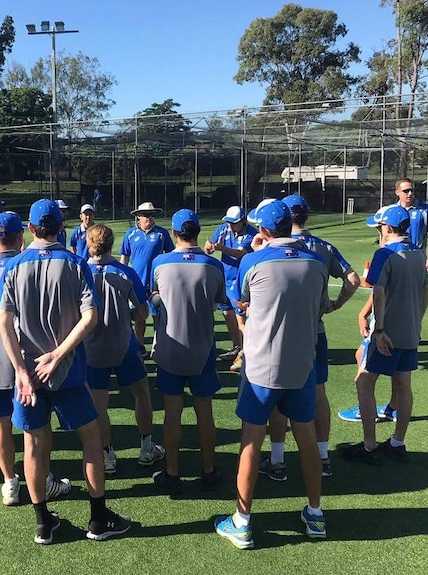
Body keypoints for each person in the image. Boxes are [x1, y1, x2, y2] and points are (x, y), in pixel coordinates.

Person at [0, 199, 131, 545]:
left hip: (28, 375)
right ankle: (98, 519)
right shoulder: (75, 264)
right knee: (91, 441)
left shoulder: (15, 265)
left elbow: (3, 323)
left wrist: (22, 371)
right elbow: (90, 318)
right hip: (68, 371)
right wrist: (58, 354)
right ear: (62, 226)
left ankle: (43, 523)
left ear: (30, 229)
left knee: (34, 446)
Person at [215, 200, 329, 549]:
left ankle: (243, 521)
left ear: (262, 231)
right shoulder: (317, 262)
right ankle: (315, 513)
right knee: (306, 438)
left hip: (262, 366)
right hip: (302, 365)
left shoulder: (253, 260)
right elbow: (321, 305)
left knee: (251, 440)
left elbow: (245, 301)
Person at [0, 211, 71, 504]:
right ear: (21, 235)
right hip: (24, 358)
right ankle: (43, 480)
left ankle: (10, 483)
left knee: (1, 423)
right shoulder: (24, 263)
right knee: (37, 428)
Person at [257, 194, 360, 481]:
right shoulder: (323, 248)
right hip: (314, 332)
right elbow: (353, 280)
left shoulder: (268, 249)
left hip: (277, 335)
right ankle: (323, 456)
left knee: (277, 395)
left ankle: (277, 461)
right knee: (318, 394)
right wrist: (334, 304)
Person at [341, 205, 428, 465]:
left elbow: (378, 292)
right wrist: (417, 321)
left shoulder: (384, 253)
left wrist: (379, 329)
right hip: (410, 331)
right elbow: (426, 291)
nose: (379, 231)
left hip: (387, 333)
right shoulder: (418, 253)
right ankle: (398, 442)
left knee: (364, 382)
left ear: (388, 228)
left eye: (380, 227)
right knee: (404, 385)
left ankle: (369, 446)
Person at [149, 209, 226, 495]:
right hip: (203, 349)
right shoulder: (213, 266)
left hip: (169, 348)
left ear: (173, 233)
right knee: (204, 411)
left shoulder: (160, 263)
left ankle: (172, 472)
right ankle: (208, 470)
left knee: (172, 413)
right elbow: (220, 300)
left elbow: (154, 296)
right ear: (197, 231)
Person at [84, 223, 164, 474]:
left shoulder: (79, 271)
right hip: (123, 344)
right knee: (141, 394)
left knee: (99, 406)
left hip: (92, 348)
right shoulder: (126, 272)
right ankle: (146, 447)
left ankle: (107, 456)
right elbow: (142, 312)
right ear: (112, 244)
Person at [204, 206, 257, 372]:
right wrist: (209, 247)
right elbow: (210, 248)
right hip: (224, 277)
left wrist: (220, 249)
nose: (230, 225)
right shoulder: (223, 229)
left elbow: (239, 253)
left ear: (242, 221)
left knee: (241, 319)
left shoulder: (251, 234)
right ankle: (237, 346)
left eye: (233, 223)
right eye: (228, 222)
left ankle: (246, 352)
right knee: (227, 315)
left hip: (241, 280)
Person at [120, 201, 175, 357]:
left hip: (157, 284)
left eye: (151, 215)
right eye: (146, 215)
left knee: (159, 317)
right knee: (139, 317)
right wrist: (123, 278)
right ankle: (140, 345)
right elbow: (124, 257)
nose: (149, 218)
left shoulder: (162, 234)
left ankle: (160, 346)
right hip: (136, 284)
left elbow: (170, 256)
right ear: (138, 217)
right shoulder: (130, 234)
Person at [394, 178, 428, 273]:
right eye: (406, 191)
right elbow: (385, 236)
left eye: (412, 190)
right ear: (397, 192)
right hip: (397, 257)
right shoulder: (392, 211)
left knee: (420, 287)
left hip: (418, 258)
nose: (410, 193)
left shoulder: (425, 210)